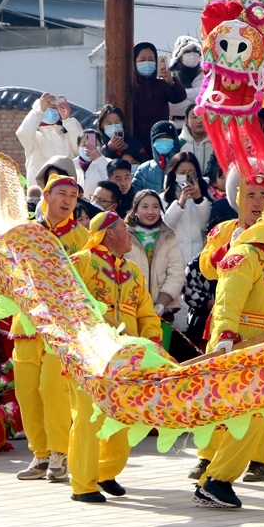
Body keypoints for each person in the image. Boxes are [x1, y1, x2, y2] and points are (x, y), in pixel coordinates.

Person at [192, 197, 264, 510]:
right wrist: (225, 337)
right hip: (237, 345)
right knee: (249, 417)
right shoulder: (244, 255)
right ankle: (215, 481)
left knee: (255, 416)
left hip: (262, 348)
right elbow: (227, 301)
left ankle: (214, 481)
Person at [68, 210, 162, 503]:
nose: (129, 232)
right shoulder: (81, 262)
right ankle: (83, 485)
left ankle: (105, 472)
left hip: (127, 358)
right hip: (89, 355)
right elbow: (68, 305)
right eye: (124, 227)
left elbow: (146, 312)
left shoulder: (134, 271)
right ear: (109, 232)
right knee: (87, 419)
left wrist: (152, 343)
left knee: (123, 417)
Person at [11, 175, 87, 482]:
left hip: (64, 327)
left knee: (52, 388)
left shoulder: (82, 236)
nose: (67, 200)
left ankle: (60, 452)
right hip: (27, 322)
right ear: (46, 195)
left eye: (73, 195)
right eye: (62, 193)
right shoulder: (24, 232)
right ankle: (39, 454)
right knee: (27, 392)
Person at [124, 190, 185, 349]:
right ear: (135, 209)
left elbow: (176, 271)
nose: (150, 212)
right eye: (144, 207)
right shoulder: (123, 235)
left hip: (163, 313)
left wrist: (161, 303)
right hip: (130, 312)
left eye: (155, 207)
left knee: (159, 359)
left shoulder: (168, 237)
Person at [132, 41, 188, 153]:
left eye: (151, 60)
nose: (147, 63)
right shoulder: (129, 87)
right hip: (136, 143)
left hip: (161, 141)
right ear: (134, 62)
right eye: (142, 60)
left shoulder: (161, 84)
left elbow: (179, 97)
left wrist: (171, 81)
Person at [16, 93, 82, 185]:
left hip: (66, 190)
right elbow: (23, 133)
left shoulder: (67, 135)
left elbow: (80, 145)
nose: (51, 112)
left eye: (54, 109)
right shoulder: (34, 137)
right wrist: (40, 110)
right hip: (39, 193)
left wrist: (67, 119)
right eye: (46, 109)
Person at [161, 153, 212, 271]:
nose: (186, 176)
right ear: (174, 173)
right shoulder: (163, 198)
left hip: (198, 261)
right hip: (173, 261)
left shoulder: (207, 196)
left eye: (190, 173)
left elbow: (206, 225)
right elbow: (166, 226)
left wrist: (199, 199)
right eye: (182, 173)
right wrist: (180, 203)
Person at [133, 121, 181, 192]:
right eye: (159, 138)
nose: (164, 140)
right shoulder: (143, 170)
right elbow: (135, 197)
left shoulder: (183, 166)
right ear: (153, 142)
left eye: (167, 137)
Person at [168, 35, 204, 130]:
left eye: (195, 51)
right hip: (176, 128)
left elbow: (207, 99)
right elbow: (173, 106)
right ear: (179, 56)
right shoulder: (170, 77)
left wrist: (181, 94)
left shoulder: (206, 76)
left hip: (201, 129)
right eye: (187, 51)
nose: (192, 54)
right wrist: (197, 95)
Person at [178, 103, 214, 175]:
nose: (199, 121)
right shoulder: (179, 143)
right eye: (194, 117)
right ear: (187, 121)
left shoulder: (216, 143)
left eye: (203, 117)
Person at [73, 129, 108, 198]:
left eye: (94, 144)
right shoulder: (71, 165)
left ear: (101, 146)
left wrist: (99, 160)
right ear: (78, 148)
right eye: (84, 144)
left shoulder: (108, 163)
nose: (89, 147)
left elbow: (109, 181)